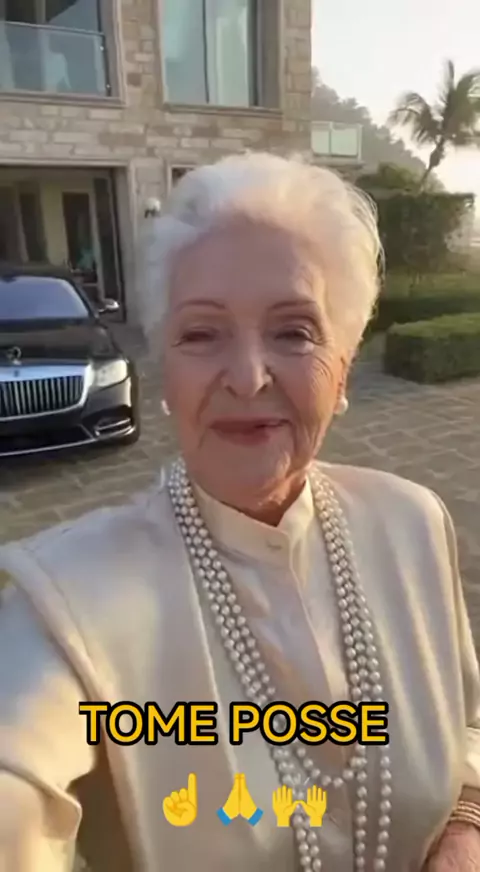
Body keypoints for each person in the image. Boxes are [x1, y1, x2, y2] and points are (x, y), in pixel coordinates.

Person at [0, 152, 479, 872]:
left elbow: (467, 723)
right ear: (165, 369)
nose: (249, 377)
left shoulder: (412, 523)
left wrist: (466, 825)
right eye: (202, 334)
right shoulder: (64, 605)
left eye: (294, 332)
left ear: (344, 368)